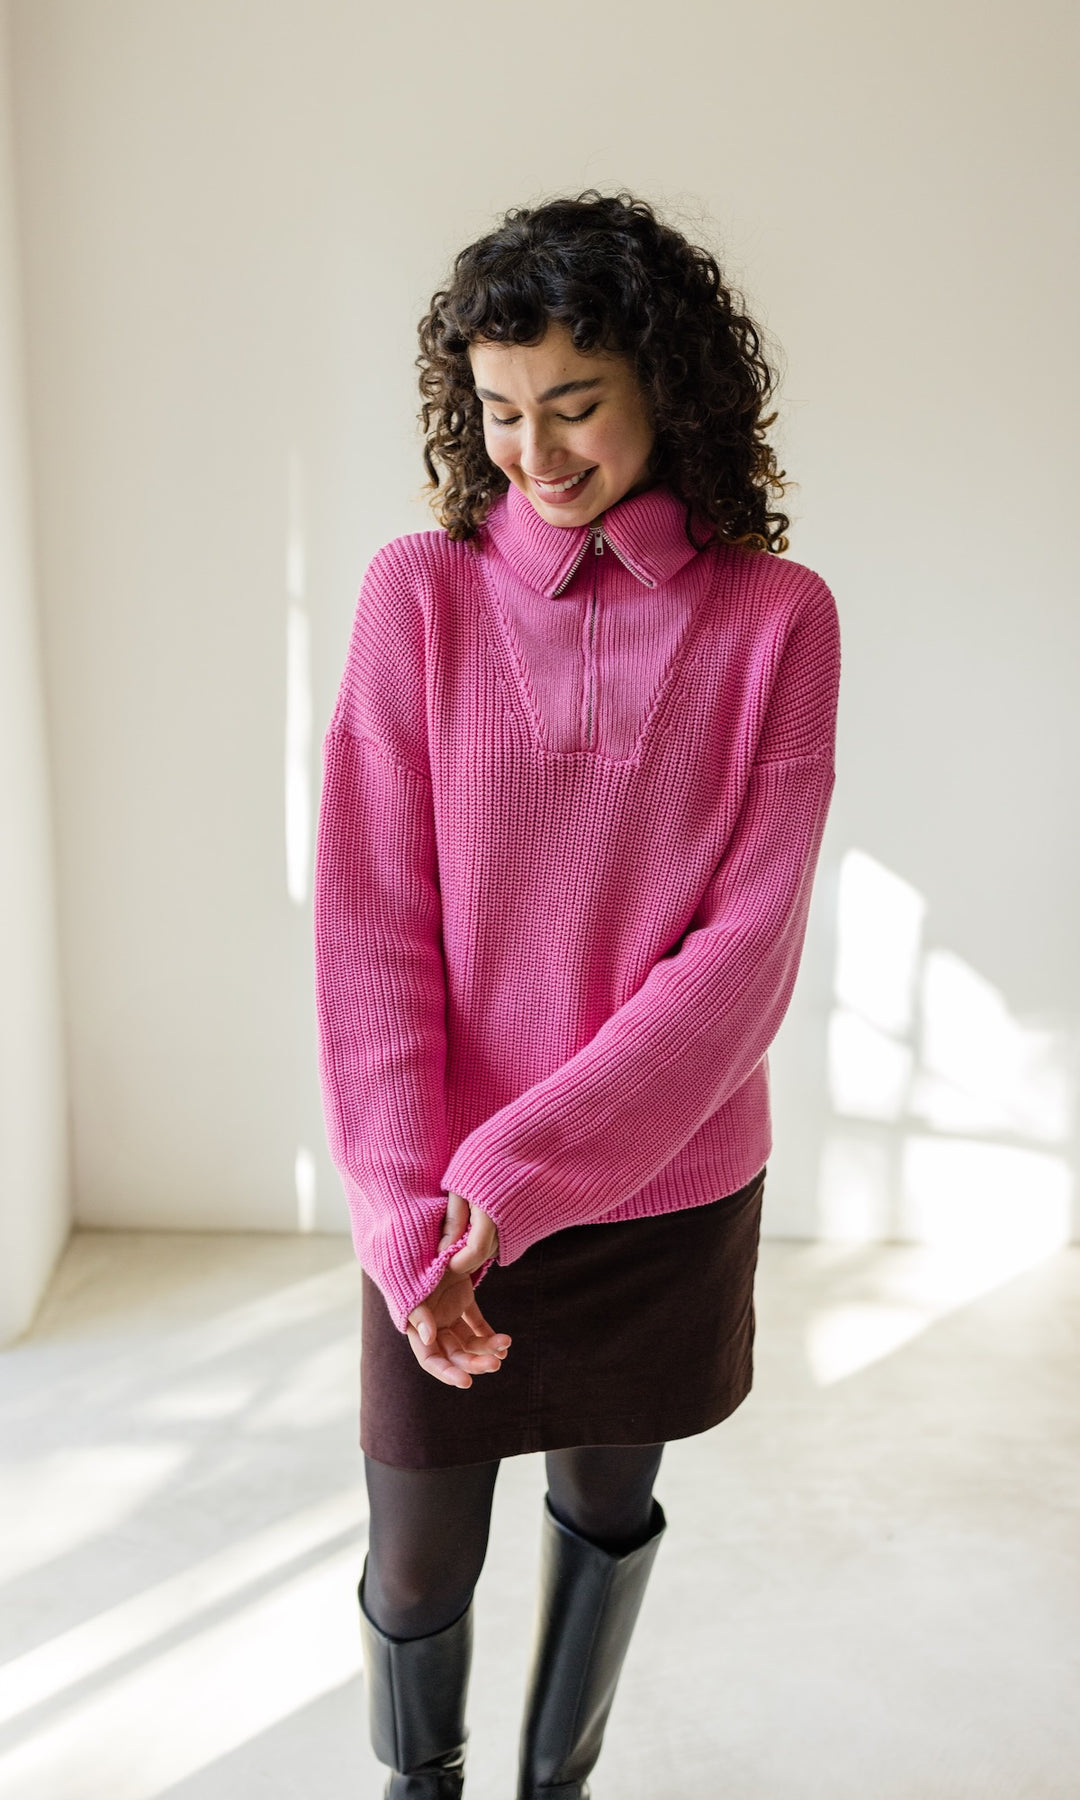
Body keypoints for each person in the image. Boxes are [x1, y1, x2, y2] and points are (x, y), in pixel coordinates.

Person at [313, 188, 841, 1799]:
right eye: (496, 410)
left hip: (661, 1186)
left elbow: (742, 954)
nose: (531, 452)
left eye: (576, 404)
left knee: (608, 1511)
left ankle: (559, 1786)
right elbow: (371, 929)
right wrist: (417, 1205)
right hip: (442, 1210)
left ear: (669, 388)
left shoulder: (777, 619)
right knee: (415, 1569)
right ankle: (427, 1787)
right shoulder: (422, 595)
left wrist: (522, 1174)